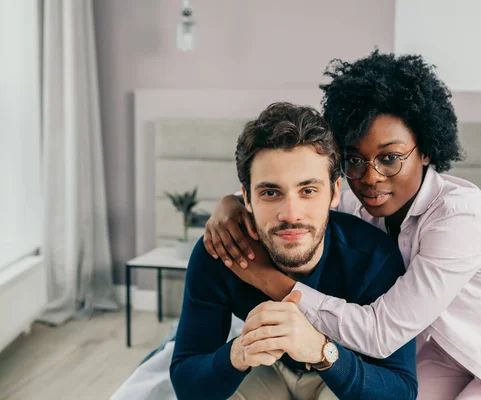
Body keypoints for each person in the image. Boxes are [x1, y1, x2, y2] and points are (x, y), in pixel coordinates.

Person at [203, 52, 481, 400]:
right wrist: (231, 204)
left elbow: (380, 333)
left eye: (390, 158)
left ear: (427, 150)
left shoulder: (459, 218)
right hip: (444, 348)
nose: (371, 178)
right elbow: (295, 193)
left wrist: (272, 281)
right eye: (354, 159)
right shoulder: (359, 193)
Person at [170, 102, 418, 400]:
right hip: (265, 370)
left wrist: (319, 350)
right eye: (271, 193)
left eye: (308, 191)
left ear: (335, 192)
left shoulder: (375, 258)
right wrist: (238, 353)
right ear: (246, 198)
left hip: (343, 371)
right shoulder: (222, 249)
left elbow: (401, 390)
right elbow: (186, 381)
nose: (291, 214)